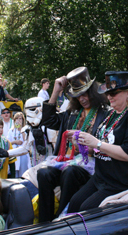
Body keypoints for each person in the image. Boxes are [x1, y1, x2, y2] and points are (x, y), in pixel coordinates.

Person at [67, 70, 128, 213]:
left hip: (123, 182)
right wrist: (82, 146)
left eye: (113, 93)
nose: (109, 97)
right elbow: (102, 149)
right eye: (107, 93)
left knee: (86, 210)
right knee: (74, 203)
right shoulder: (110, 114)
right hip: (102, 178)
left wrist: (96, 143)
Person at [37, 67, 108, 222]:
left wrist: (82, 141)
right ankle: (44, 223)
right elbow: (48, 121)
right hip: (67, 161)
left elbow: (105, 145)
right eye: (78, 95)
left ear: (94, 92)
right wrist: (55, 91)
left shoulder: (105, 114)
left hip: (90, 166)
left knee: (70, 172)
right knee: (43, 173)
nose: (82, 98)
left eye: (85, 93)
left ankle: (63, 222)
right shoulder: (72, 114)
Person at [7, 112, 31, 177]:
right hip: (14, 152)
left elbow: (26, 140)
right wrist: (15, 141)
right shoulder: (11, 131)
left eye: (20, 119)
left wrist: (21, 129)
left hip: (23, 153)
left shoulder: (26, 129)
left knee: (23, 173)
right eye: (17, 119)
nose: (18, 120)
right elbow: (8, 142)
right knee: (15, 172)